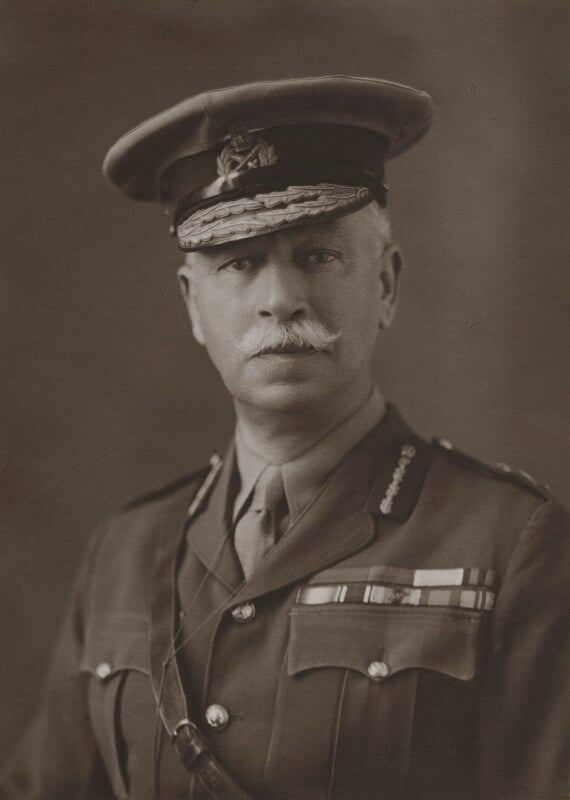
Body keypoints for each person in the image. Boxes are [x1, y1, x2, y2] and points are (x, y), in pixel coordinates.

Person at [1, 76, 569, 800]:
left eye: (318, 256)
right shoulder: (124, 551)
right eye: (239, 263)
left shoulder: (510, 545)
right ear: (193, 305)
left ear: (386, 285)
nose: (280, 300)